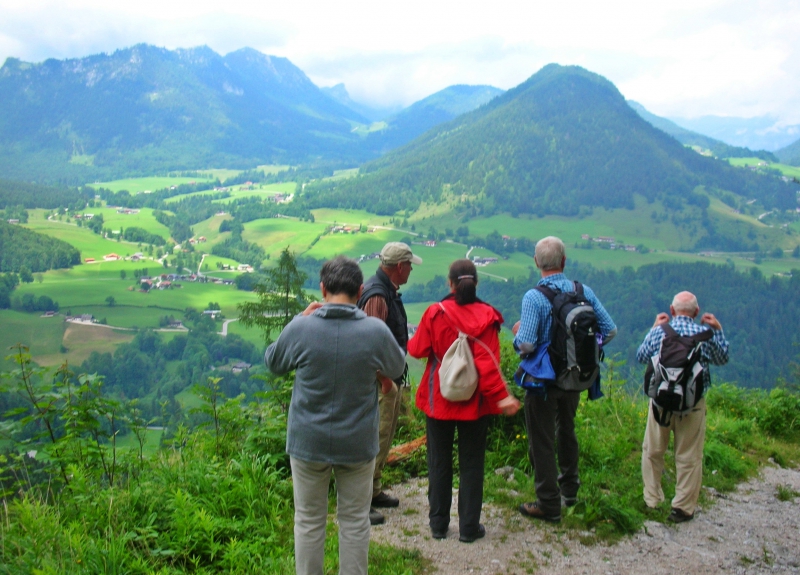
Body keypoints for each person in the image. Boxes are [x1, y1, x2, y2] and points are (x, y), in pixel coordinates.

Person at [265, 256, 406, 575]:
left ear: (323, 289)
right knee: (355, 521)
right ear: (360, 291)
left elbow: (273, 362)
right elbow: (397, 366)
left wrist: (299, 318)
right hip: (357, 442)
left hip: (308, 441)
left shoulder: (303, 327)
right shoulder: (374, 331)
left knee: (308, 520)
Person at [408, 259, 521, 542]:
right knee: (471, 463)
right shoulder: (487, 316)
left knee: (439, 461)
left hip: (439, 400)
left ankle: (438, 524)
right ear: (476, 283)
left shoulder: (435, 313)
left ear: (450, 283)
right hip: (475, 404)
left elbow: (418, 349)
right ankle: (469, 528)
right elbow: (488, 364)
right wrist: (502, 397)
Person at [512, 236, 617, 523]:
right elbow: (609, 330)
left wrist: (517, 334)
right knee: (566, 430)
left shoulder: (534, 297)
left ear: (536, 262)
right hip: (574, 376)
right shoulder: (583, 291)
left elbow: (527, 345)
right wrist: (584, 350)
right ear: (564, 261)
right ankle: (570, 491)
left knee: (542, 439)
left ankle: (548, 503)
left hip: (543, 382)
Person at [637, 291, 729, 523]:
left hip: (660, 404)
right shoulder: (705, 336)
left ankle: (652, 500)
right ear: (697, 312)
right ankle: (682, 508)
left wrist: (653, 328)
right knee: (689, 456)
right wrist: (718, 329)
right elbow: (723, 358)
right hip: (692, 404)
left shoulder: (660, 332)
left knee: (653, 451)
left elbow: (641, 356)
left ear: (672, 310)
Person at [357, 241, 421, 525]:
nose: (411, 270)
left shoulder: (385, 291)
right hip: (379, 383)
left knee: (384, 436)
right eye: (409, 265)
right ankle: (362, 500)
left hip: (387, 381)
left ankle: (374, 489)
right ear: (399, 266)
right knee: (375, 438)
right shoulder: (378, 296)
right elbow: (369, 345)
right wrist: (384, 380)